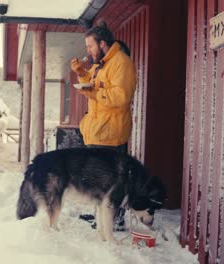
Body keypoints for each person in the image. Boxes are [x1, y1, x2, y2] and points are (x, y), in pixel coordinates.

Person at [70, 22, 137, 231]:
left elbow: (121, 95)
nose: (88, 51)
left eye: (90, 46)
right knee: (99, 179)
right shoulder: (103, 64)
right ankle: (101, 215)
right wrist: (81, 72)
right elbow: (93, 83)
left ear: (102, 43)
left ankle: (114, 220)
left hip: (111, 131)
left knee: (112, 179)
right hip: (98, 129)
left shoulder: (121, 63)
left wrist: (94, 93)